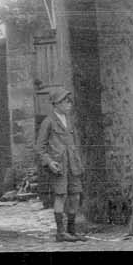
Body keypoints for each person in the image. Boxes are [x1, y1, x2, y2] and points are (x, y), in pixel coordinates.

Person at [35, 86, 85, 242]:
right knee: (61, 196)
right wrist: (49, 162)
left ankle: (72, 229)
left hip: (73, 164)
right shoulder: (48, 122)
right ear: (56, 104)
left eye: (69, 101)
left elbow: (73, 142)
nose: (68, 104)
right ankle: (60, 232)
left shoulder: (69, 120)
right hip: (59, 165)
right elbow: (39, 148)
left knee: (75, 195)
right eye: (65, 101)